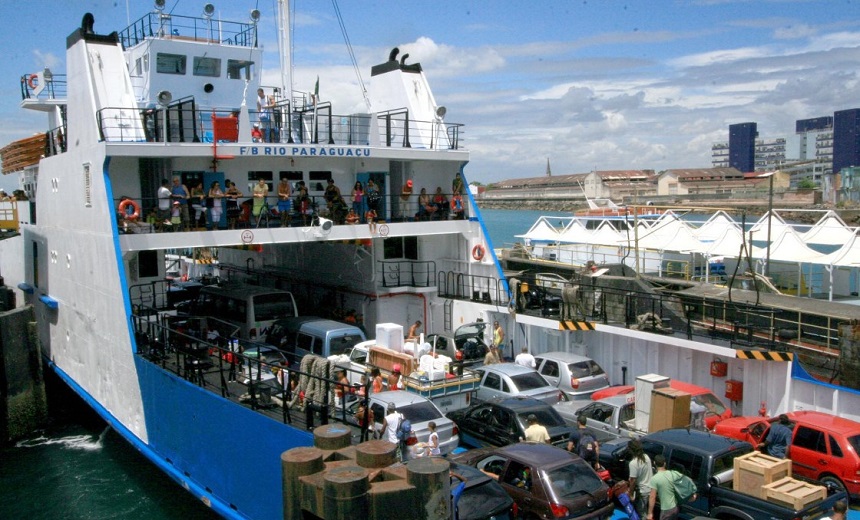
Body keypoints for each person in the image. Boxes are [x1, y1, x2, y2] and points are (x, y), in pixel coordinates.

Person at [648, 455, 683, 520]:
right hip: (675, 507)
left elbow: (652, 497)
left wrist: (650, 513)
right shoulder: (673, 473)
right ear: (665, 463)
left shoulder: (655, 478)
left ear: (654, 463)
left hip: (666, 509)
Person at [628, 439, 653, 519]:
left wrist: (630, 494)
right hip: (650, 488)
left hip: (642, 492)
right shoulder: (646, 457)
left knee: (641, 512)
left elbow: (633, 481)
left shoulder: (633, 463)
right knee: (644, 510)